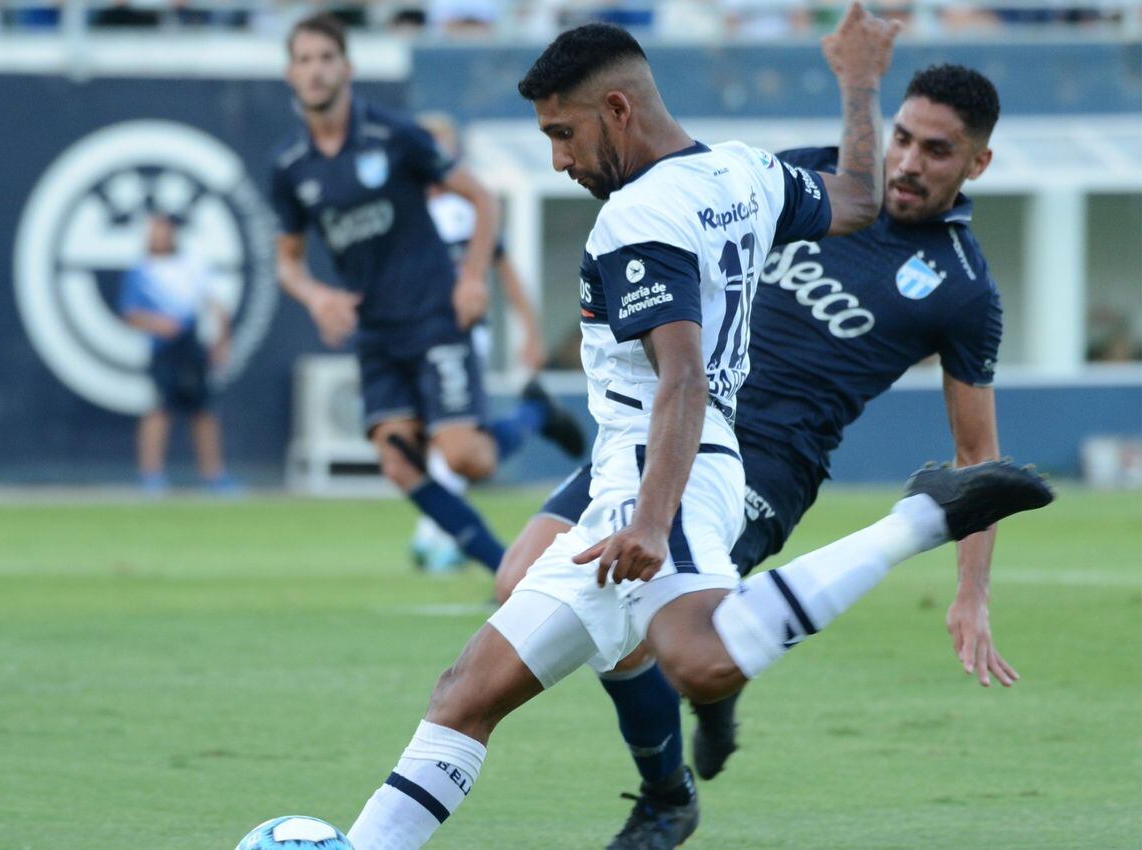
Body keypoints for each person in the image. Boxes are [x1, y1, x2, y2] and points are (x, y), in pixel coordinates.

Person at [342, 12, 1051, 850]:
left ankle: (918, 519)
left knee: (701, 657)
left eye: (563, 135)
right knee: (467, 687)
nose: (559, 160)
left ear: (615, 109)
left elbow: (682, 376)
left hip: (697, 466)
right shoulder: (749, 172)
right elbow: (856, 197)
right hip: (628, 464)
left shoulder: (639, 218)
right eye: (904, 139)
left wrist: (650, 517)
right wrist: (859, 86)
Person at [492, 62, 1015, 848]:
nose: (908, 162)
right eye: (902, 138)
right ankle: (686, 755)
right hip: (662, 429)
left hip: (766, 468)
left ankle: (672, 779)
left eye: (937, 151)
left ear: (977, 164)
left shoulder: (963, 290)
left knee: (642, 623)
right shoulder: (811, 176)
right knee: (520, 577)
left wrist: (972, 592)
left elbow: (978, 454)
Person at [269, 13, 584, 575]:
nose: (315, 71)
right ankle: (506, 571)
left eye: (325, 58)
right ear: (290, 74)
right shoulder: (292, 169)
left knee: (465, 457)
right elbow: (287, 262)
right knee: (398, 462)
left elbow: (483, 198)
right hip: (376, 333)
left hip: (435, 316)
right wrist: (316, 297)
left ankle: (534, 415)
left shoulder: (394, 137)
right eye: (304, 60)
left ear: (347, 68)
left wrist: (469, 281)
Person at [409, 112, 551, 572]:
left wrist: (530, 330)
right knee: (437, 437)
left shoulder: (464, 209)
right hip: (416, 334)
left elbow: (505, 271)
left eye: (440, 143)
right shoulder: (408, 206)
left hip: (459, 333)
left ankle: (441, 536)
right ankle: (534, 415)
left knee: (454, 436)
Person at [118, 213, 238, 495]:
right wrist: (158, 324)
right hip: (163, 350)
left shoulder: (192, 265)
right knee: (159, 410)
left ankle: (214, 475)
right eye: (153, 230)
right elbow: (131, 313)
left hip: (192, 347)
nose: (158, 236)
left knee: (204, 411)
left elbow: (218, 307)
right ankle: (151, 476)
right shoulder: (141, 271)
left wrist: (222, 343)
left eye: (163, 230)